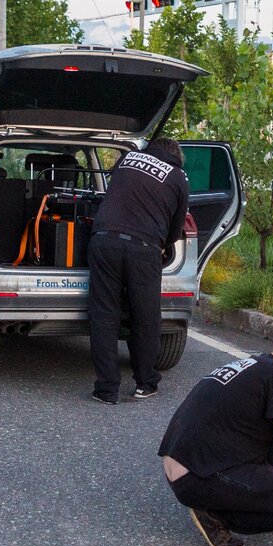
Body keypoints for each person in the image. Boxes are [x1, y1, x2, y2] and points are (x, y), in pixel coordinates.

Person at [158, 328, 273, 546]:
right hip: (201, 476)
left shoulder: (257, 366)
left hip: (184, 468)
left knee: (271, 438)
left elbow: (253, 426)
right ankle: (216, 515)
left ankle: (214, 505)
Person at [87, 137, 190, 405]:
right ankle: (145, 383)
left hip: (103, 241)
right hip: (143, 249)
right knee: (145, 319)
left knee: (104, 316)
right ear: (176, 156)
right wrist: (162, 246)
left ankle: (106, 390)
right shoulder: (178, 177)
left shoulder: (126, 159)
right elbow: (176, 230)